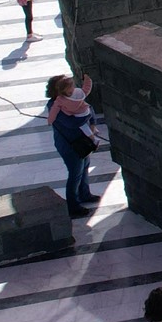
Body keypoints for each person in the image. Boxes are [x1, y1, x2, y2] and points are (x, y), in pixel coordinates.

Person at [45, 73, 99, 216]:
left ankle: (84, 194)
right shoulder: (54, 106)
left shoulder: (72, 97)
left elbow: (89, 107)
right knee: (75, 173)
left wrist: (91, 120)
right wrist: (86, 114)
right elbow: (71, 123)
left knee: (85, 167)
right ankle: (73, 206)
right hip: (69, 145)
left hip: (82, 141)